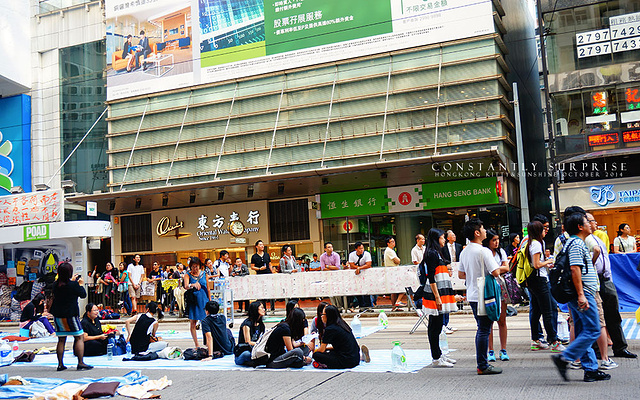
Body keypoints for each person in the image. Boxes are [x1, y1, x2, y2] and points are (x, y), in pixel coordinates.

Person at [551, 212, 611, 382]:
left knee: (582, 330)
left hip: (579, 294)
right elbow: (575, 269)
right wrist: (581, 295)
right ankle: (564, 358)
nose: (591, 225)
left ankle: (590, 369)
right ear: (580, 226)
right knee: (592, 329)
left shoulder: (574, 243)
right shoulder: (577, 243)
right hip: (583, 294)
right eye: (587, 222)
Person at [458, 218, 508, 375]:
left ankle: (482, 363)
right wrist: (504, 267)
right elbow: (495, 272)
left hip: (472, 293)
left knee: (482, 328)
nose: (486, 230)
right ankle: (482, 365)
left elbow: (461, 274)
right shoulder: (484, 251)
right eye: (483, 228)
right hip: (485, 294)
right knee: (484, 329)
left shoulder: (464, 251)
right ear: (477, 232)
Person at [585, 213, 636, 360]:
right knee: (598, 317)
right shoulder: (584, 240)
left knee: (613, 315)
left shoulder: (596, 238)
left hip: (606, 279)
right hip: (595, 280)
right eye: (592, 221)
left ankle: (620, 347)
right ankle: (597, 350)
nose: (595, 223)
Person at [526, 220, 564, 353]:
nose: (545, 231)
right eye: (543, 229)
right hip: (540, 280)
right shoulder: (536, 244)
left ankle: (536, 340)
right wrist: (547, 261)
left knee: (536, 311)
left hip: (532, 280)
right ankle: (554, 341)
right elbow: (536, 264)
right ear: (538, 231)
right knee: (548, 311)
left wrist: (545, 263)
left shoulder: (530, 243)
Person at [422, 228, 457, 367]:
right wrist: (437, 297)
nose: (444, 240)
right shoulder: (431, 253)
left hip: (439, 291)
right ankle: (436, 357)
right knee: (434, 325)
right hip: (434, 293)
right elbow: (431, 277)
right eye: (442, 237)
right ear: (436, 239)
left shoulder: (437, 252)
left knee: (438, 325)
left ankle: (439, 355)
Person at [50, 262, 92, 371]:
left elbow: (64, 286)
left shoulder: (55, 284)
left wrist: (72, 281)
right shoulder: (73, 285)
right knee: (78, 337)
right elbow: (83, 295)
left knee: (61, 339)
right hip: (71, 315)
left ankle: (60, 364)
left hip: (58, 315)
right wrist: (80, 284)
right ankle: (80, 362)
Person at [483, 230, 510, 362]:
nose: (496, 242)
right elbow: (495, 269)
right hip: (488, 288)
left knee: (502, 319)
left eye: (497, 239)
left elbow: (507, 267)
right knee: (489, 321)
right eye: (493, 240)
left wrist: (495, 269)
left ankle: (503, 349)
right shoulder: (485, 252)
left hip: (500, 286)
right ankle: (491, 350)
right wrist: (499, 269)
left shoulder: (501, 252)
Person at [184, 257, 210, 347]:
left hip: (204, 299)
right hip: (193, 301)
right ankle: (197, 345)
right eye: (193, 267)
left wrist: (209, 300)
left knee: (206, 322)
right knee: (193, 323)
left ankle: (207, 343)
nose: (195, 269)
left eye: (196, 266)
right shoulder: (187, 275)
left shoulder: (204, 274)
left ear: (200, 266)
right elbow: (186, 285)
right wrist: (192, 284)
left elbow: (208, 288)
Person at [235, 301, 266, 366]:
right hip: (245, 350)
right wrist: (260, 344)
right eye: (262, 308)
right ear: (255, 309)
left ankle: (254, 361)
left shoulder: (261, 324)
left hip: (255, 349)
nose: (264, 310)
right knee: (247, 354)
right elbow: (248, 342)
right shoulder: (247, 324)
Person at [251, 240, 276, 313]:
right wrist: (259, 269)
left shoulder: (267, 255)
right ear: (256, 246)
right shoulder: (254, 256)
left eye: (263, 244)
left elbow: (270, 264)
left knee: (270, 291)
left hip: (268, 274)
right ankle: (263, 308)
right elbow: (252, 267)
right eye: (260, 245)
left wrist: (272, 272)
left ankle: (272, 308)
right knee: (262, 292)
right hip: (260, 276)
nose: (262, 246)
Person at [348, 242, 373, 311]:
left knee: (367, 291)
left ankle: (368, 306)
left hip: (365, 275)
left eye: (362, 248)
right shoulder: (352, 255)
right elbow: (352, 265)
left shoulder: (367, 254)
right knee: (358, 291)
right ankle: (361, 306)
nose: (361, 250)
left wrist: (359, 268)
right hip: (356, 276)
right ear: (356, 249)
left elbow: (368, 264)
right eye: (359, 249)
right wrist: (358, 268)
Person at [384, 237, 406, 311]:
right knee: (403, 286)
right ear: (388, 243)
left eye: (394, 241)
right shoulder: (389, 251)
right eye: (392, 242)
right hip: (393, 271)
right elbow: (397, 261)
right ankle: (398, 301)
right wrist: (398, 260)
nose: (394, 243)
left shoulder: (390, 250)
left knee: (393, 290)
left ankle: (394, 307)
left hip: (392, 272)